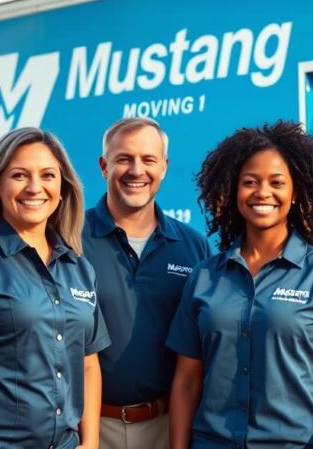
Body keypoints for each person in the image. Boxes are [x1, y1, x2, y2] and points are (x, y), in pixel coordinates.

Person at [167, 121, 313, 448]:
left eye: (277, 182)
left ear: (295, 193)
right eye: (249, 182)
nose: (263, 192)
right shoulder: (204, 275)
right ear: (233, 190)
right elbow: (186, 382)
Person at [0, 127, 110, 449]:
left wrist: (90, 443)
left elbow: (88, 363)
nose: (35, 188)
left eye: (48, 175)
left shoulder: (79, 269)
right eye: (19, 175)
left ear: (62, 188)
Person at [81, 117, 211, 449]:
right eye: (124, 158)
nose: (136, 170)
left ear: (164, 167)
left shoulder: (194, 247)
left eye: (148, 159)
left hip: (167, 427)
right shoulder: (69, 239)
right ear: (104, 166)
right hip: (90, 429)